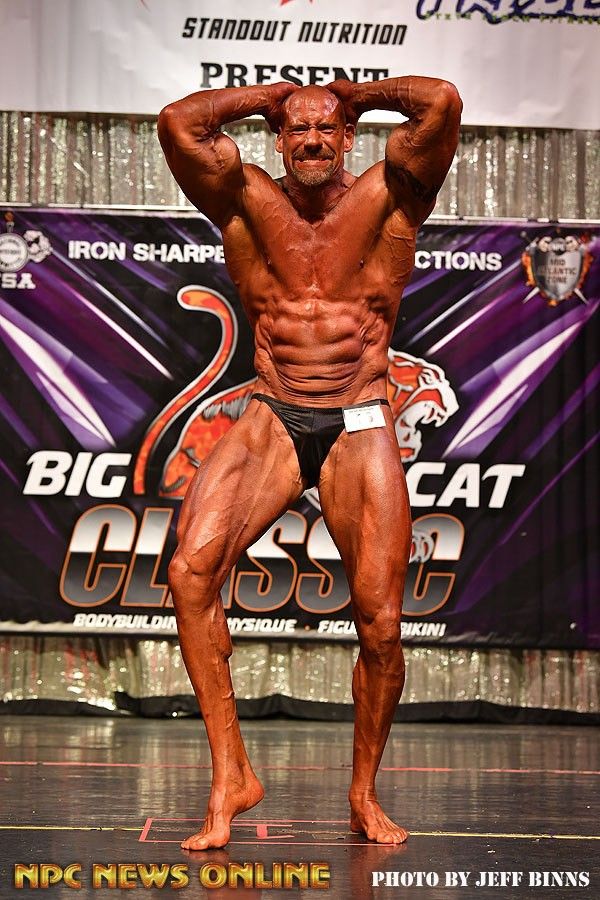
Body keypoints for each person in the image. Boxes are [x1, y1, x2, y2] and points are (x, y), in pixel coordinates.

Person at [158, 75, 462, 849]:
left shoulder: (393, 195)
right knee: (190, 574)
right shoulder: (244, 199)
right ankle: (231, 774)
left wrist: (354, 93)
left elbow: (441, 102)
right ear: (278, 137)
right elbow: (178, 122)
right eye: (297, 129)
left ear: (348, 134)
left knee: (381, 623)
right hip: (273, 411)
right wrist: (267, 96)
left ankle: (363, 794)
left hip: (359, 418)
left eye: (328, 127)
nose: (314, 140)